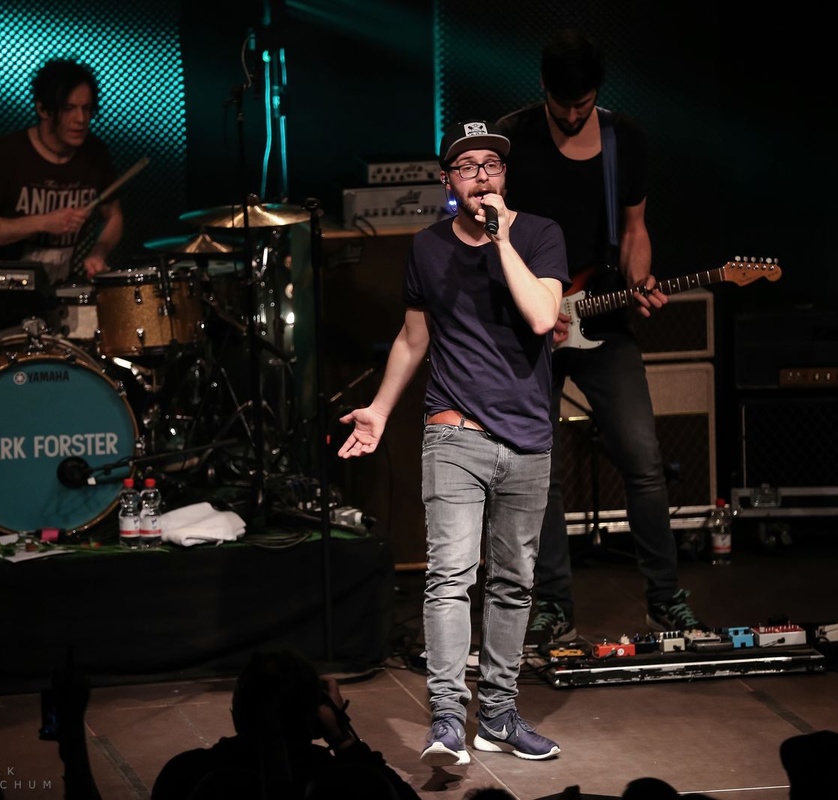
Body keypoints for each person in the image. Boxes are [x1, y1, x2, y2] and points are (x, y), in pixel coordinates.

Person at [337, 120, 569, 766]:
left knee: (514, 583)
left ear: (504, 175)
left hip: (528, 438)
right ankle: (446, 719)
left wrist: (501, 240)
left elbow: (542, 316)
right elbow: (414, 337)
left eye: (491, 165)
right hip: (454, 433)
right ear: (448, 180)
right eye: (467, 167)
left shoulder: (540, 235)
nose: (481, 176)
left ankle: (497, 715)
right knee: (449, 578)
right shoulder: (428, 247)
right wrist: (380, 411)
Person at [494, 29, 705, 647]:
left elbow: (635, 229)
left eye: (581, 105)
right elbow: (486, 239)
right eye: (561, 105)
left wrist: (639, 281)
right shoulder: (511, 139)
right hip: (530, 328)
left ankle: (665, 600)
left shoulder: (624, 140)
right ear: (542, 87)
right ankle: (554, 606)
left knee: (643, 460)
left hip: (603, 323)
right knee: (541, 473)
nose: (570, 116)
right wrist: (535, 304)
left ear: (596, 93)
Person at [150, 648, 418, 800]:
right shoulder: (348, 783)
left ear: (236, 714)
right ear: (316, 718)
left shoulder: (186, 772)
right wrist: (342, 737)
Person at [0, 57, 124, 287]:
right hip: (2, 291)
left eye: (86, 109)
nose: (81, 119)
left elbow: (113, 216)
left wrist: (99, 251)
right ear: (43, 109)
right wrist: (43, 222)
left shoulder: (95, 153)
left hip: (59, 289)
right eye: (68, 109)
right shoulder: (6, 154)